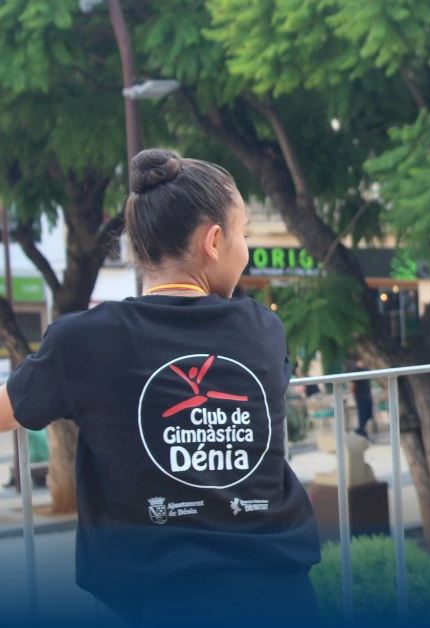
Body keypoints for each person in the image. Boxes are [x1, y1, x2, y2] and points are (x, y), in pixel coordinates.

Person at [0, 149, 320, 625]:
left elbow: (8, 410)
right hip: (284, 592)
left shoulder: (84, 340)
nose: (246, 251)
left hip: (161, 599)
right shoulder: (262, 329)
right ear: (215, 241)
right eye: (245, 235)